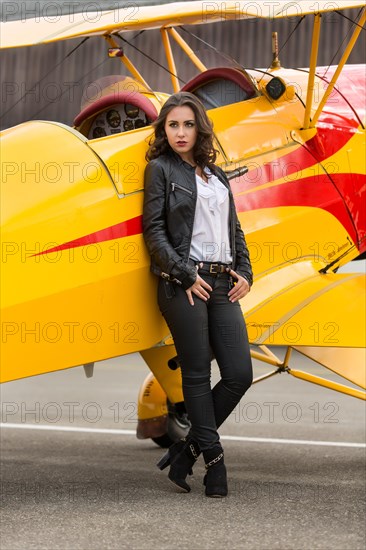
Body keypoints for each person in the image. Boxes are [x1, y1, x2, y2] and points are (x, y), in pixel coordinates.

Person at [143, 91, 253, 498]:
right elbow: (153, 232)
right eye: (173, 125)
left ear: (200, 127)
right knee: (196, 373)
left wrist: (245, 271)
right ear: (164, 129)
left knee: (240, 373)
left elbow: (234, 229)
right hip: (181, 284)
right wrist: (185, 274)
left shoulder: (217, 174)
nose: (180, 132)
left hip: (223, 281)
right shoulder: (160, 169)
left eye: (188, 124)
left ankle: (186, 450)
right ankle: (215, 459)